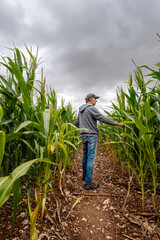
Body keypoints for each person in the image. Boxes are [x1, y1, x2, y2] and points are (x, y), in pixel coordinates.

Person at [74, 93, 123, 190]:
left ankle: (84, 176)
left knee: (85, 155)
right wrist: (116, 124)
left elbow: (76, 123)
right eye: (95, 99)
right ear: (91, 99)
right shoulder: (91, 108)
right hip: (91, 135)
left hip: (83, 135)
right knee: (90, 158)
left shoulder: (81, 110)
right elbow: (102, 118)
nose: (96, 101)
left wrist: (83, 129)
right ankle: (88, 183)